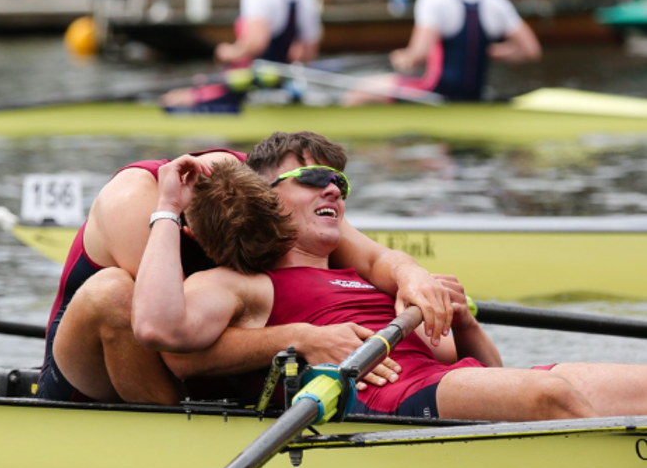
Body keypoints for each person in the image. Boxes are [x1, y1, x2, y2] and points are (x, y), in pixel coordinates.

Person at [132, 134, 647, 422]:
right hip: (387, 402)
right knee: (550, 396)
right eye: (313, 179)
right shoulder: (242, 283)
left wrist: (464, 322)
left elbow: (484, 366)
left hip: (444, 384)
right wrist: (167, 208)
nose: (333, 190)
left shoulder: (368, 279)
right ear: (264, 196)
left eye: (339, 181)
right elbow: (159, 328)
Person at [37, 138, 453, 405]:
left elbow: (373, 258)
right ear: (190, 232)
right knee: (114, 293)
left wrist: (412, 275)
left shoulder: (278, 188)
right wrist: (301, 338)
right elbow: (174, 345)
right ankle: (178, 437)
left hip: (209, 337)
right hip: (98, 369)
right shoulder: (134, 204)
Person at [345, 0, 541, 105]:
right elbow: (531, 51)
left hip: (435, 92)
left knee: (360, 91)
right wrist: (494, 51)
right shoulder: (496, 1)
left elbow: (417, 56)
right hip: (474, 95)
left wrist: (400, 57)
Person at [161, 0, 322, 112]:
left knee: (173, 99)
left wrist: (227, 51)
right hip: (280, 85)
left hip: (244, 87)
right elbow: (308, 52)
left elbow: (256, 44)